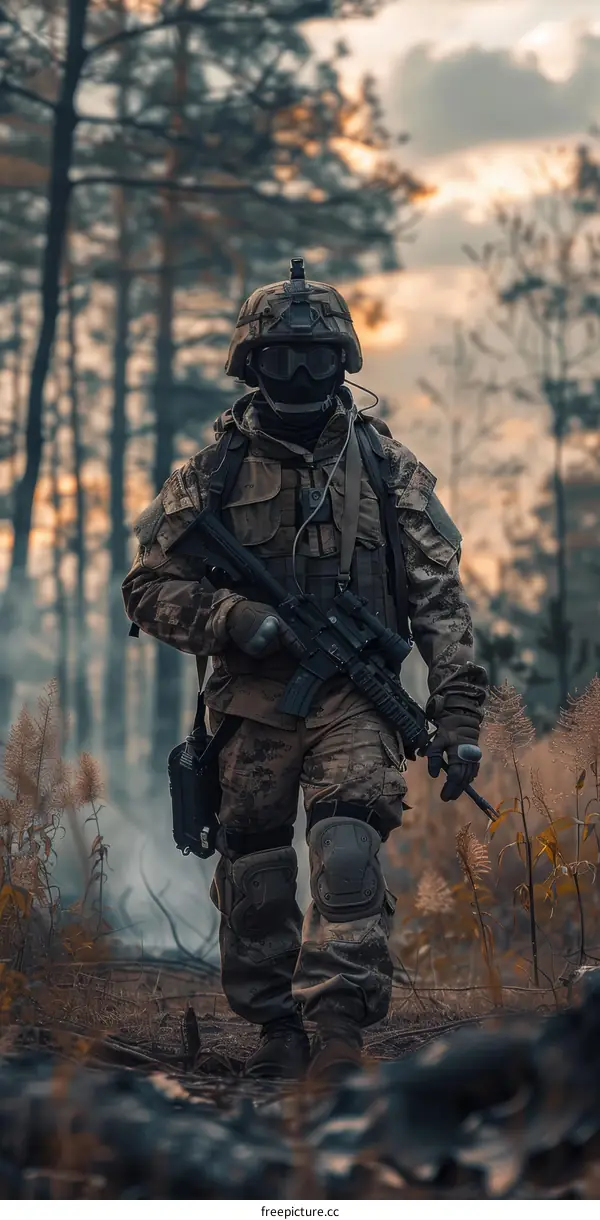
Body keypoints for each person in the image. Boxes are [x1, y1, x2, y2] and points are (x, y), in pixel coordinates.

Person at [122, 258, 488, 1083]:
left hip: (355, 698)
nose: (298, 373)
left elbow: (439, 600)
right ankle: (274, 1029)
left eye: (316, 358)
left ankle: (337, 1029)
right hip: (250, 705)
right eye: (280, 357)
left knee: (349, 846)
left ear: (344, 365)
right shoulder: (209, 474)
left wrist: (458, 716)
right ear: (250, 365)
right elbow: (146, 587)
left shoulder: (388, 468)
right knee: (254, 872)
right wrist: (234, 620)